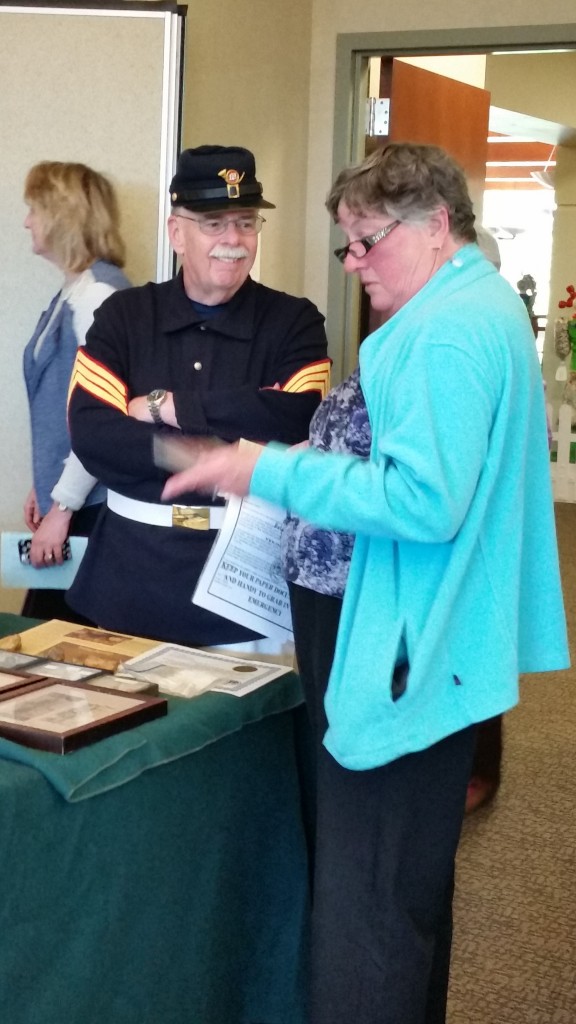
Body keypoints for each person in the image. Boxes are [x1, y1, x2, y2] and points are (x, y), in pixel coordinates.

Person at [161, 142, 569, 1024]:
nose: (352, 263)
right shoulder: (473, 303)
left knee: (367, 910)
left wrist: (259, 468)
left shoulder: (442, 333)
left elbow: (424, 502)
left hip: (401, 644)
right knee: (402, 894)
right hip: (424, 634)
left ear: (434, 226)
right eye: (346, 243)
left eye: (366, 241)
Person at [67, 144, 329, 645]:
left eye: (246, 222)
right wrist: (201, 454)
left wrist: (172, 407)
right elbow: (94, 432)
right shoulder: (124, 316)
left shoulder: (293, 320)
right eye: (213, 223)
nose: (233, 239)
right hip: (130, 580)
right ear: (176, 233)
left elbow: (295, 418)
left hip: (247, 588)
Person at [21, 160, 130, 623]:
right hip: (73, 500)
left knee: (54, 655)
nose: (27, 221)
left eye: (35, 209)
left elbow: (105, 419)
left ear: (63, 215)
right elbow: (61, 405)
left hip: (93, 510)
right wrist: (42, 486)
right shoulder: (73, 291)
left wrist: (61, 509)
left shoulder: (99, 297)